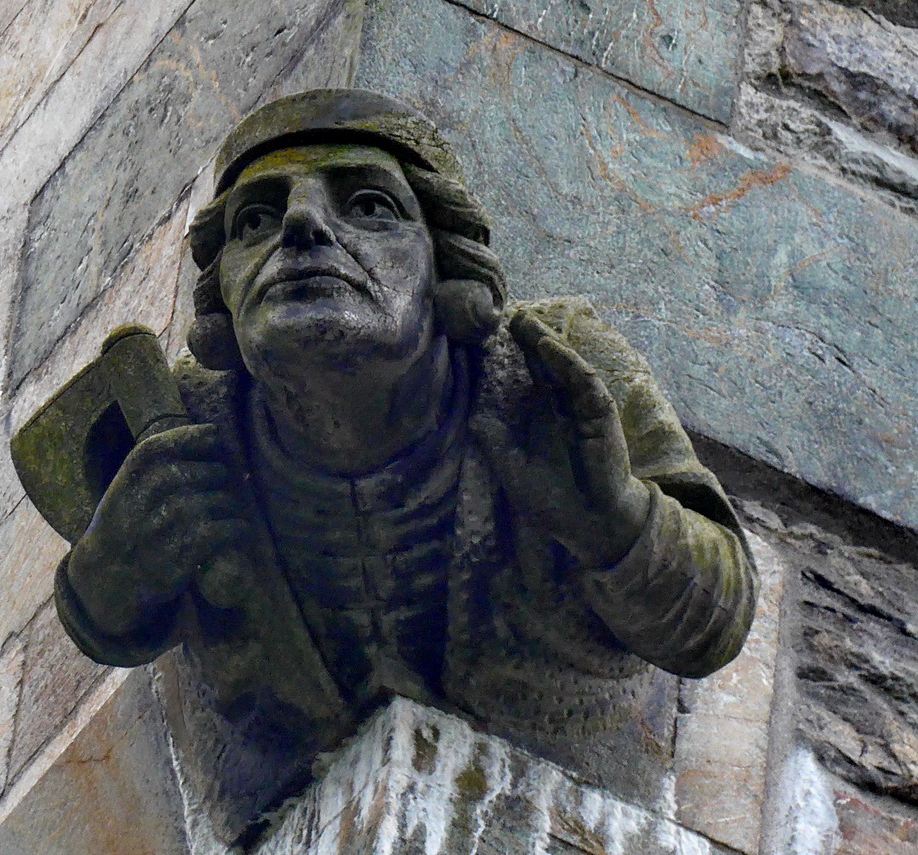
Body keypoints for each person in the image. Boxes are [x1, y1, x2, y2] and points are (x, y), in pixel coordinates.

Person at [54, 89, 757, 813]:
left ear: (443, 261)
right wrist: (107, 576)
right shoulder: (187, 433)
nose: (299, 225)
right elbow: (105, 611)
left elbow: (720, 614)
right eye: (255, 220)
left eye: (368, 206)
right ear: (223, 292)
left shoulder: (544, 375)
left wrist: (618, 522)